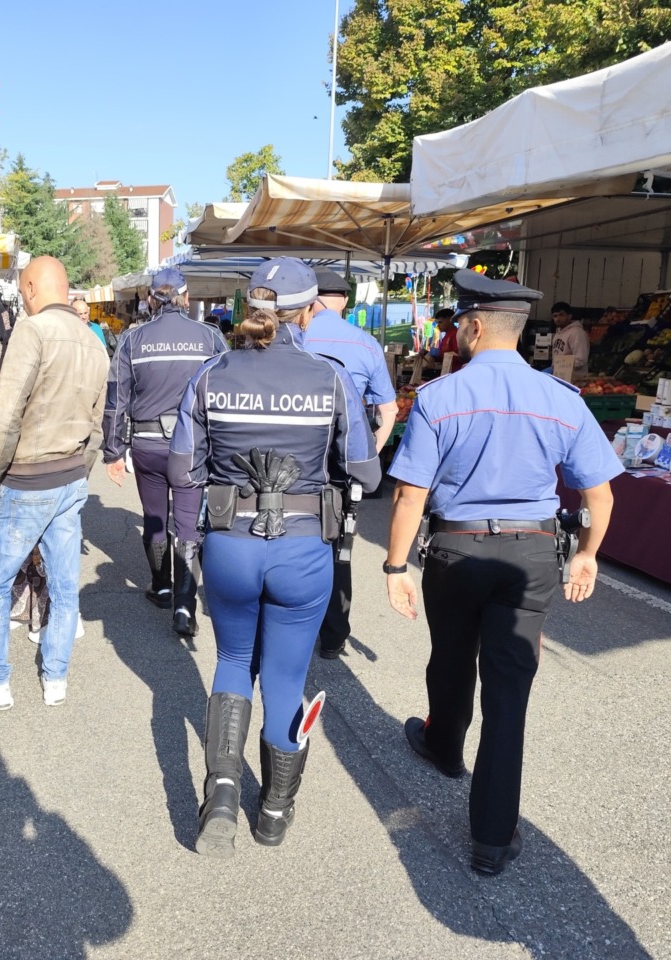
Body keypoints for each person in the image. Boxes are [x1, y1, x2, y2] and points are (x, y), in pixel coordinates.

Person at [382, 269, 622, 876]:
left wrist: (393, 566)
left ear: (476, 325)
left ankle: (443, 745)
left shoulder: (441, 397)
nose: (457, 333)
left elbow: (412, 494)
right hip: (532, 555)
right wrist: (588, 553)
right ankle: (491, 837)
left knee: (452, 652)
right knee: (509, 692)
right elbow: (601, 495)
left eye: (460, 324)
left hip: (456, 550)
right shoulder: (562, 400)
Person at [168, 258, 382, 857]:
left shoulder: (210, 375)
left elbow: (184, 469)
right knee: (287, 680)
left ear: (250, 306)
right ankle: (276, 812)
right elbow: (367, 469)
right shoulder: (331, 378)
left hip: (231, 542)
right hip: (302, 547)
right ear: (310, 310)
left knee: (234, 660)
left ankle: (224, 799)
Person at [0, 256, 109, 710]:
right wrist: (81, 472)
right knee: (64, 585)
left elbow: (5, 412)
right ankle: (55, 679)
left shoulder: (33, 331)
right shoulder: (94, 341)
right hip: (70, 477)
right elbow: (99, 424)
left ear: (28, 288)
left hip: (27, 479)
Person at [102, 267, 227, 638]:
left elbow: (116, 400)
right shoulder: (211, 337)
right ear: (186, 298)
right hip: (193, 448)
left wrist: (113, 451)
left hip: (148, 445)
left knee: (155, 517)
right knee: (188, 525)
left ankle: (161, 587)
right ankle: (185, 607)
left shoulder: (133, 340)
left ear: (152, 298)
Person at [298, 270, 400, 660]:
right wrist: (368, 450)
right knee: (339, 543)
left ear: (313, 300)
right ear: (345, 300)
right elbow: (388, 410)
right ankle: (334, 634)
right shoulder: (366, 343)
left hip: (297, 457)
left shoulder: (299, 335)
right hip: (342, 462)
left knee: (294, 537)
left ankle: (292, 623)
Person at [551, 301, 590, 380]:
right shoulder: (557, 334)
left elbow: (581, 359)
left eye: (561, 315)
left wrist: (560, 366)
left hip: (575, 380)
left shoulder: (577, 333)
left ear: (569, 316)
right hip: (560, 378)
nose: (558, 319)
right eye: (555, 316)